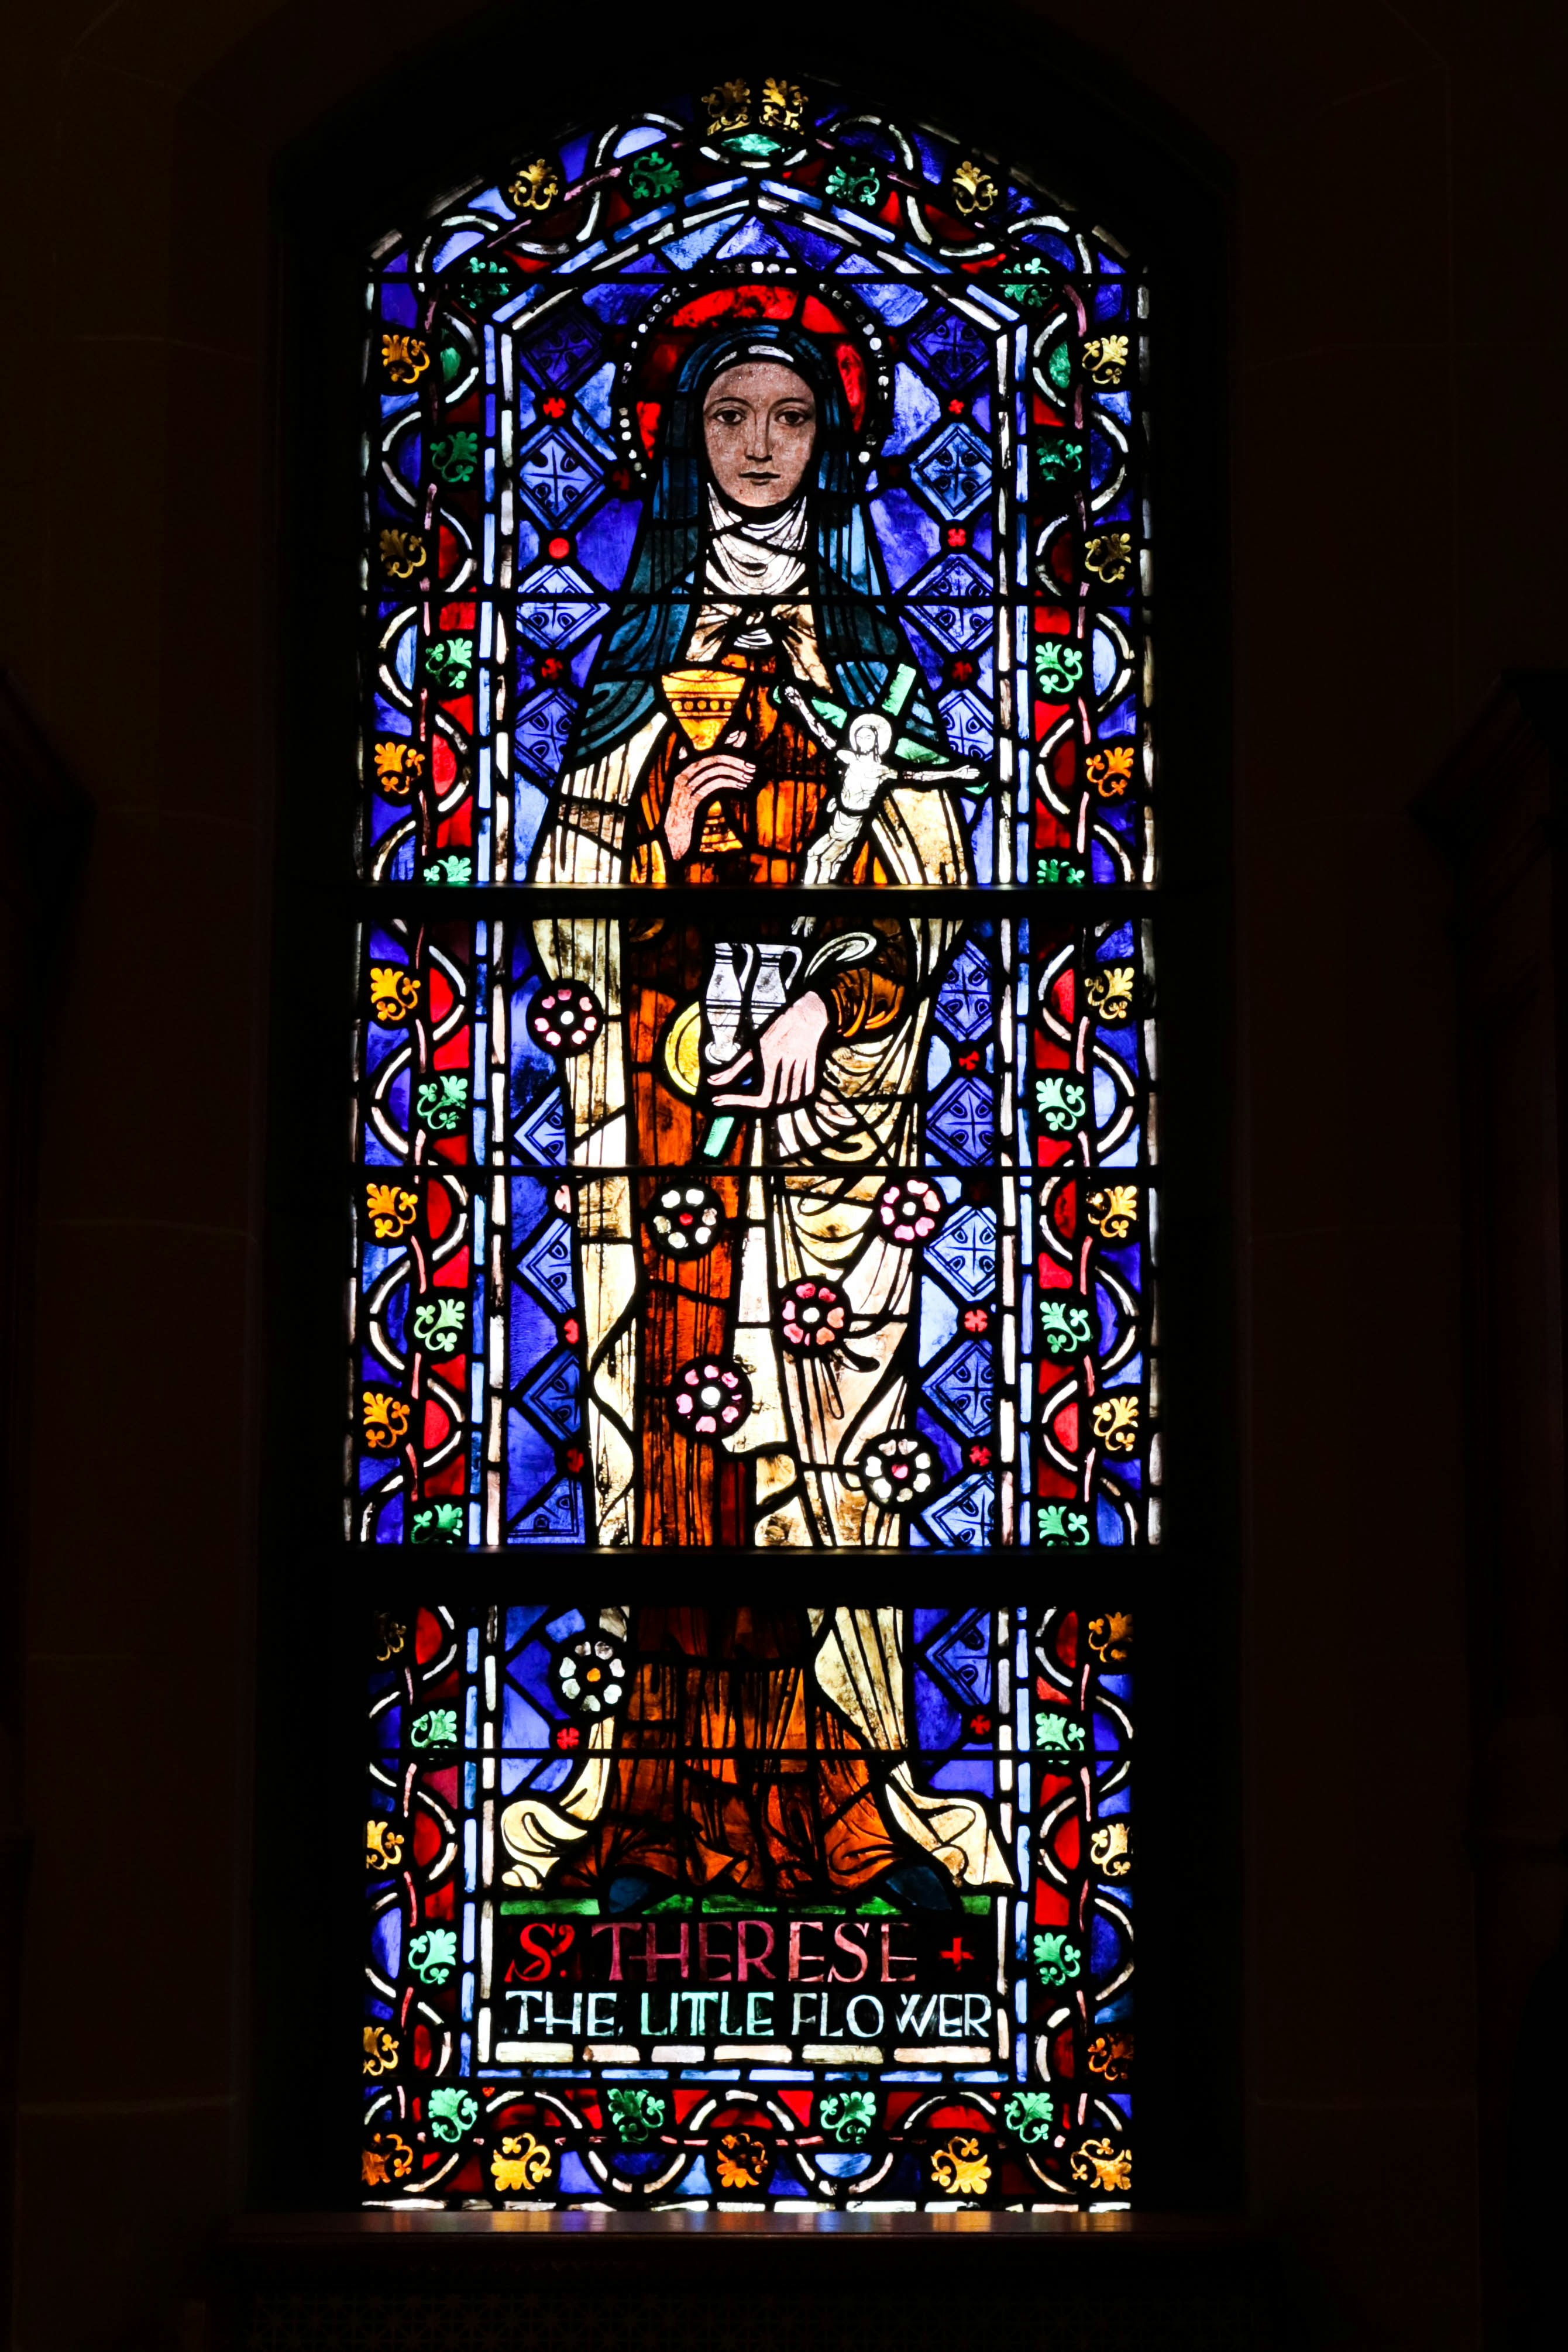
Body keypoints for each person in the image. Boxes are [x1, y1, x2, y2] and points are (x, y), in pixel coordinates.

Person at [505, 304, 1006, 1909]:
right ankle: (652, 1793)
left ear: (829, 442)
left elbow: (932, 891)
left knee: (816, 1447)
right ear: (689, 437)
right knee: (673, 1451)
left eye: (793, 416)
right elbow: (566, 896)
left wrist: (830, 983)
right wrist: (662, 819)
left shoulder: (874, 663)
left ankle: (843, 1784)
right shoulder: (632, 667)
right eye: (735, 413)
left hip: (823, 1143)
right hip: (664, 1130)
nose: (763, 445)